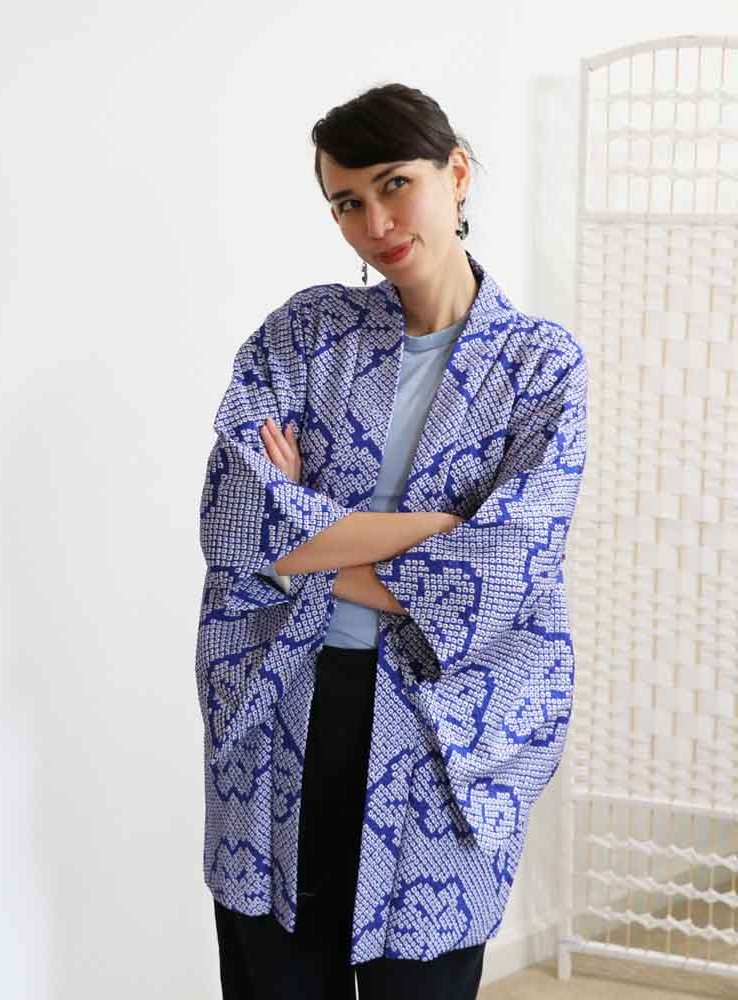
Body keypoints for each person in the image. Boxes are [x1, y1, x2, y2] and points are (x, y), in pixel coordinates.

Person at [196, 82, 588, 999]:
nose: (375, 220)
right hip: (285, 703)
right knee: (275, 975)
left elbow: (508, 565)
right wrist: (438, 531)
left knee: (422, 980)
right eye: (346, 202)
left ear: (456, 174)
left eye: (394, 183)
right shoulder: (306, 332)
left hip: (442, 732)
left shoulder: (539, 364)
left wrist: (307, 536)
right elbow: (232, 519)